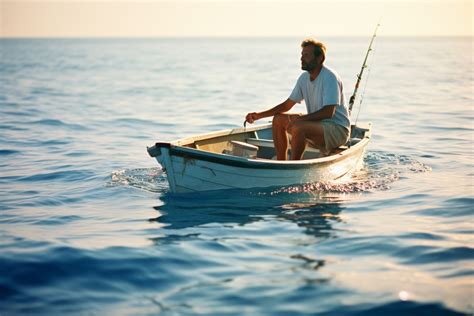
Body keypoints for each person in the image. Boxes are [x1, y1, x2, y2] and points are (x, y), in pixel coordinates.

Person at [245, 39, 351, 160]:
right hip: (318, 125)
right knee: (278, 119)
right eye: (301, 55)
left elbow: (328, 112)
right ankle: (281, 162)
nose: (301, 59)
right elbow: (287, 105)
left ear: (320, 58)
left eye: (306, 55)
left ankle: (294, 164)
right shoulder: (304, 78)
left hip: (337, 130)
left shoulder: (330, 77)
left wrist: (300, 119)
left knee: (298, 126)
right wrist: (259, 115)